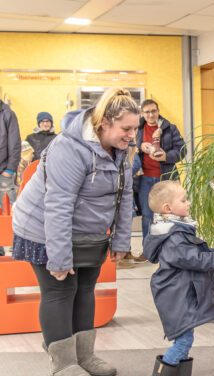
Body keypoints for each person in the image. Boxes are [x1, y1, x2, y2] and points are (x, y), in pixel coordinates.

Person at [11, 87, 138, 376]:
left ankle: (85, 356)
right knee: (60, 290)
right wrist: (58, 258)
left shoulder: (120, 149)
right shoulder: (68, 148)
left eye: (135, 128)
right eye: (126, 128)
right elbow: (57, 205)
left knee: (85, 289)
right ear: (105, 122)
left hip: (88, 233)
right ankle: (64, 363)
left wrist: (120, 239)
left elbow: (126, 194)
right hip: (44, 229)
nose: (132, 135)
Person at [142, 180, 214, 376]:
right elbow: (196, 260)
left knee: (185, 339)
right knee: (183, 340)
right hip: (177, 297)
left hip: (179, 295)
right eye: (183, 200)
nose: (188, 203)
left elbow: (195, 255)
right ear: (168, 208)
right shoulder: (174, 238)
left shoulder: (175, 231)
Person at [135, 99, 186, 248]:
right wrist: (139, 146)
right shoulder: (137, 129)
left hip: (165, 179)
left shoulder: (170, 128)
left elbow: (182, 151)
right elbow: (127, 147)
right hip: (144, 179)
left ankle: (170, 248)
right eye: (147, 112)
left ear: (158, 111)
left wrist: (166, 156)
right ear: (142, 113)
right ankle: (148, 250)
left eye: (153, 111)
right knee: (147, 216)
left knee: (170, 214)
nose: (151, 115)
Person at [0, 98, 20, 256]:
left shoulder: (7, 114)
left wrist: (10, 169)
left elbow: (14, 143)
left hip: (3, 172)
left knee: (10, 212)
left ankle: (17, 248)